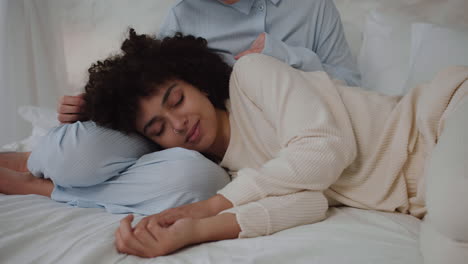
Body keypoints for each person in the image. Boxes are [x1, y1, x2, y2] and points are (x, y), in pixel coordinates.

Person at [3, 30, 468, 264]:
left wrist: (210, 208)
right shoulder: (232, 171)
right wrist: (194, 233)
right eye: (159, 127)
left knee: (458, 207)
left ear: (201, 84)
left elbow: (326, 150)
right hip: (421, 202)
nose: (179, 123)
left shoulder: (252, 76)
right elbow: (308, 202)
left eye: (177, 99)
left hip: (443, 120)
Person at [57, 0, 360, 124]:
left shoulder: (312, 6)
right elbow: (151, 93)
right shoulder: (183, 16)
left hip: (316, 129)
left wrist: (287, 58)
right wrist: (95, 109)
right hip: (224, 153)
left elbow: (356, 90)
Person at [0, 121, 230, 215]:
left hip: (215, 143)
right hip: (147, 126)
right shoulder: (185, 18)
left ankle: (41, 185)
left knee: (200, 181)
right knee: (71, 154)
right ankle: (31, 159)